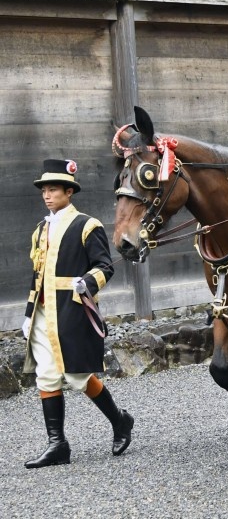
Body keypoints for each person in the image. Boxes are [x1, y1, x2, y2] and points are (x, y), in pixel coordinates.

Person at [22, 159, 134, 469]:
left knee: (77, 375)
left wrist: (87, 281)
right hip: (44, 312)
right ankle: (58, 444)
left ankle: (120, 420)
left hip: (72, 310)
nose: (47, 195)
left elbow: (105, 266)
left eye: (53, 189)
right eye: (44, 190)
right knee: (46, 374)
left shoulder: (87, 225)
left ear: (69, 192)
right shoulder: (41, 229)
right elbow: (36, 275)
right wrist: (29, 313)